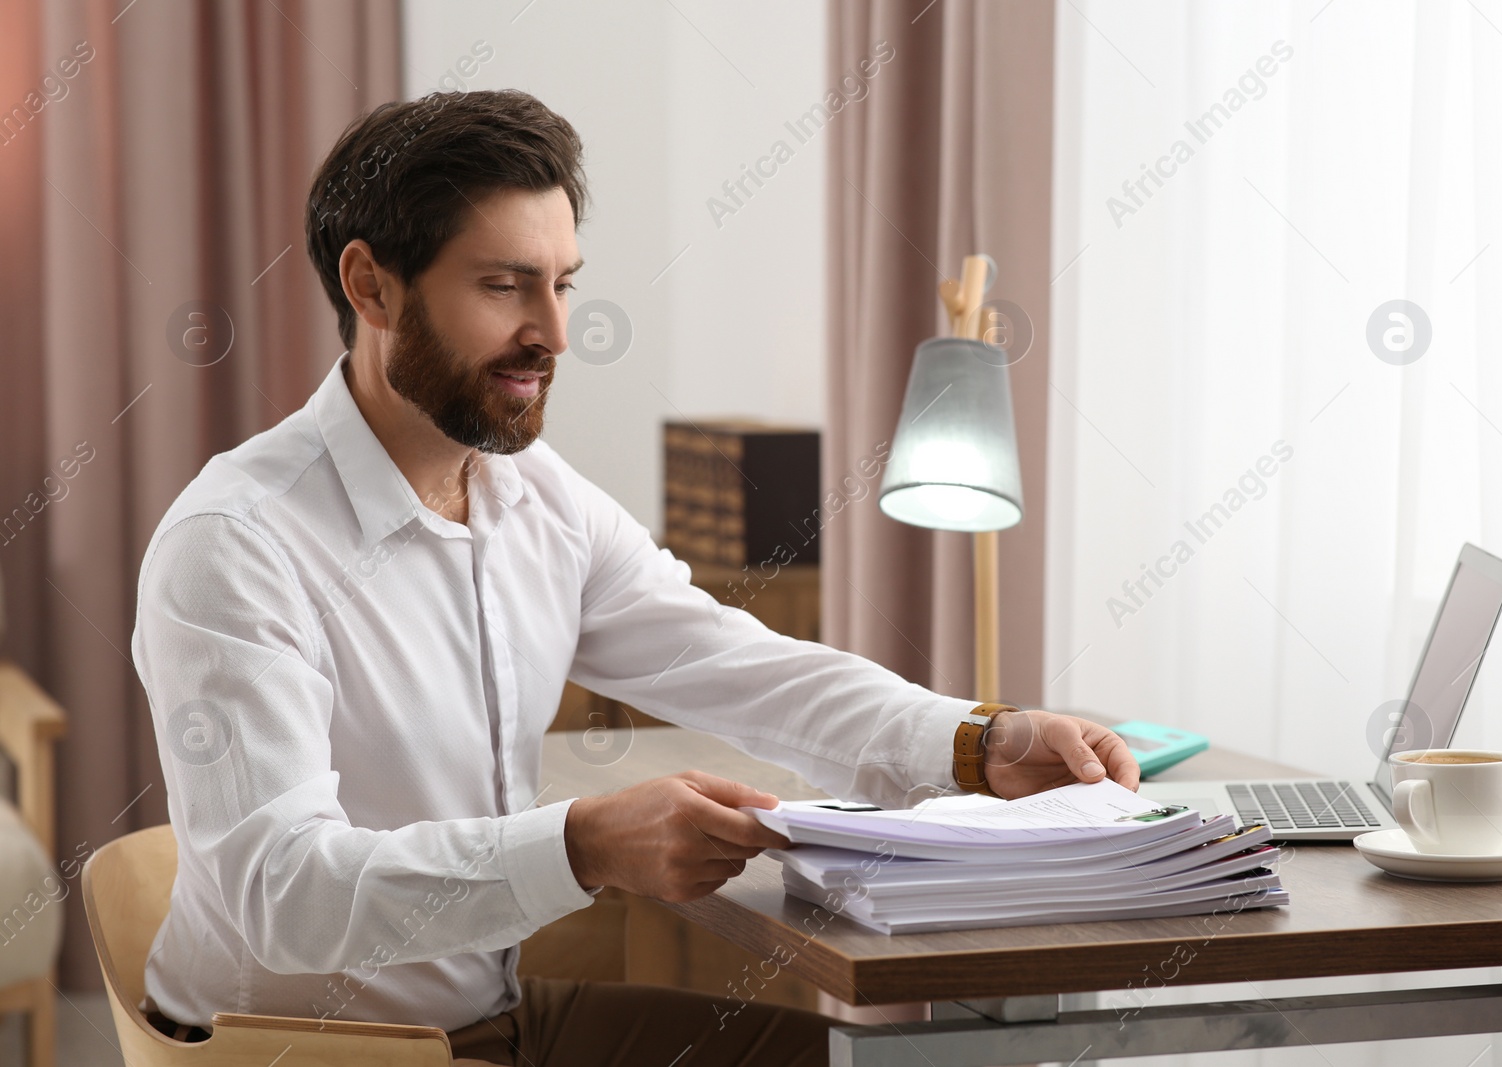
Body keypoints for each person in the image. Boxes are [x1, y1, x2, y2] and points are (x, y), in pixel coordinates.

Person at [130, 88, 1139, 1067]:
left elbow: (733, 662)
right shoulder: (235, 544)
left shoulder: (532, 494)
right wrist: (579, 846)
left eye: (561, 282)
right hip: (296, 1051)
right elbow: (284, 893)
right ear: (371, 286)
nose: (555, 333)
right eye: (503, 285)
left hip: (490, 1018)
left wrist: (975, 739)